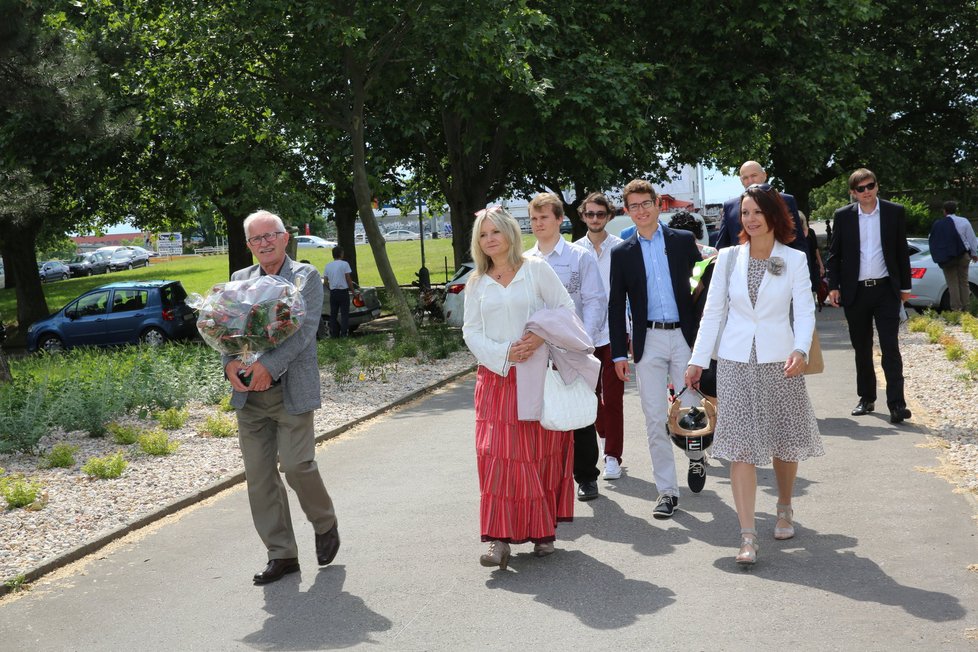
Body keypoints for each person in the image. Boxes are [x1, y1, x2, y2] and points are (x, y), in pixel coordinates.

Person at [685, 184, 822, 565]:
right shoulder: (727, 258)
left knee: (783, 439)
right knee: (740, 446)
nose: (751, 219)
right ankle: (747, 536)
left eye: (758, 211)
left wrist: (799, 348)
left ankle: (784, 505)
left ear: (774, 214)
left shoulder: (793, 259)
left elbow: (806, 310)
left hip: (781, 360)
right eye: (745, 213)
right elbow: (712, 313)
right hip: (734, 361)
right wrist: (698, 360)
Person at [225, 210, 340, 585]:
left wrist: (268, 367)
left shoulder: (304, 276)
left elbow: (304, 331)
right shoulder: (239, 280)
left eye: (270, 235)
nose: (264, 243)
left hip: (290, 391)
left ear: (285, 237)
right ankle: (282, 555)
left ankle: (324, 521)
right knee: (260, 479)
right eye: (256, 239)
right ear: (248, 245)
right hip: (249, 398)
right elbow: (227, 330)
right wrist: (229, 364)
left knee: (296, 466)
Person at [462, 206, 578, 569]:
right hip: (495, 379)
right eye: (483, 234)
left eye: (495, 231)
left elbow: (565, 308)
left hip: (534, 374)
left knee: (535, 452)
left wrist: (536, 337)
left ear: (511, 233)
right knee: (497, 456)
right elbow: (470, 331)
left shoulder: (536, 269)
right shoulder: (476, 282)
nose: (490, 239)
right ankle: (498, 539)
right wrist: (502, 352)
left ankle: (543, 531)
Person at [608, 180, 701, 518]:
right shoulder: (622, 252)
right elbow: (616, 305)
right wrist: (620, 353)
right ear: (627, 211)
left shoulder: (682, 241)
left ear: (658, 205)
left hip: (684, 338)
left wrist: (706, 342)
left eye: (646, 203)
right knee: (654, 417)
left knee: (692, 411)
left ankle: (696, 457)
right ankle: (666, 491)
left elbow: (701, 290)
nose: (641, 210)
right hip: (648, 341)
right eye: (634, 206)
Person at [527, 192, 606, 501]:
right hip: (537, 349)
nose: (538, 224)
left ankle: (586, 476)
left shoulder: (580, 257)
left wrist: (583, 340)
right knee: (542, 411)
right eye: (533, 218)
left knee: (580, 411)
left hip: (572, 346)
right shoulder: (526, 261)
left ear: (560, 219)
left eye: (544, 217)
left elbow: (595, 301)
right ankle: (547, 478)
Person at [827, 169, 913, 424]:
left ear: (877, 186)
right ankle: (866, 398)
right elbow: (834, 254)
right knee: (862, 348)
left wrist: (905, 288)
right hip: (856, 291)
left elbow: (901, 251)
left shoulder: (894, 212)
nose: (866, 192)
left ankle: (897, 404)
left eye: (870, 186)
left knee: (890, 347)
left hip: (886, 290)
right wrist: (833, 286)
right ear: (853, 193)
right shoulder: (843, 216)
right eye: (860, 188)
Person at [573, 192, 626, 480]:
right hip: (582, 335)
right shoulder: (574, 252)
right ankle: (604, 435)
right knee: (590, 398)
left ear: (609, 216)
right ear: (582, 216)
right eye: (590, 214)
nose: (595, 219)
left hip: (614, 333)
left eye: (600, 214)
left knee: (613, 398)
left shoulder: (621, 248)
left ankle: (613, 456)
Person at [715, 161, 817, 291]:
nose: (750, 180)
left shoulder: (785, 201)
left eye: (754, 175)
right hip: (741, 277)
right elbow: (723, 245)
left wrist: (805, 280)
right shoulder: (730, 206)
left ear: (764, 175)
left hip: (779, 272)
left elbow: (797, 241)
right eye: (745, 178)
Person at [929, 201, 978, 312]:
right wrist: (974, 254)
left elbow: (933, 239)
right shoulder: (964, 221)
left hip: (947, 258)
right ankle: (967, 308)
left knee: (952, 283)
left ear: (944, 211)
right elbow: (972, 239)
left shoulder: (939, 224)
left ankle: (956, 309)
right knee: (964, 282)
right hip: (963, 256)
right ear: (956, 210)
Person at [323, 246, 357, 337]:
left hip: (333, 292)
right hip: (343, 292)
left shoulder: (328, 265)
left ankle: (334, 334)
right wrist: (353, 291)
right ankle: (344, 334)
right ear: (341, 254)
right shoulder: (344, 264)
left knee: (333, 315)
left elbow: (325, 281)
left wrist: (331, 288)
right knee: (344, 314)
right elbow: (348, 279)